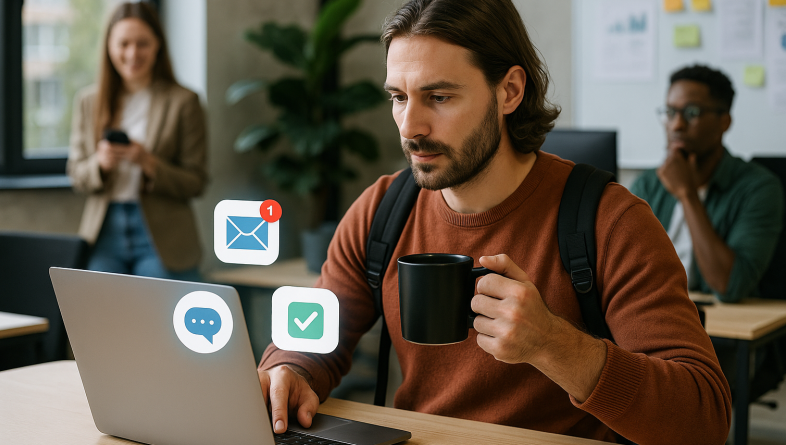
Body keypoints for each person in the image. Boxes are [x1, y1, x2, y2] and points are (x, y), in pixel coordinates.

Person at [258, 1, 731, 443]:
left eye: (439, 97)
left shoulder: (611, 220)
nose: (409, 126)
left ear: (510, 91)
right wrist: (291, 370)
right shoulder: (382, 207)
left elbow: (704, 419)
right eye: (399, 97)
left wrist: (553, 344)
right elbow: (310, 335)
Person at [67, 2, 207, 281]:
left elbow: (196, 181)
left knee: (161, 321)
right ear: (109, 47)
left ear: (158, 45)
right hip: (105, 232)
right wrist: (100, 164)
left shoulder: (185, 102)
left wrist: (148, 162)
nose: (132, 53)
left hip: (163, 236)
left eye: (142, 43)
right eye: (124, 44)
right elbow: (76, 174)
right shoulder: (88, 102)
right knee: (101, 320)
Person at [631, 65, 784, 303]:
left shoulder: (760, 188)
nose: (676, 125)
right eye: (670, 112)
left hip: (727, 332)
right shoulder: (648, 185)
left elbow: (728, 286)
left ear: (724, 122)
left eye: (692, 112)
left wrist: (687, 194)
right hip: (656, 317)